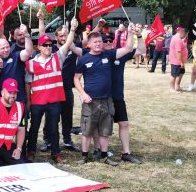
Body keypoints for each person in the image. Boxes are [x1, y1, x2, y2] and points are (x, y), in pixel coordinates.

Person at [74, 27, 137, 165]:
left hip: (107, 99)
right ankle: (84, 156)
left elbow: (127, 48)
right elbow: (76, 79)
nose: (98, 44)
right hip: (90, 100)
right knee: (87, 129)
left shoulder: (108, 55)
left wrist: (131, 34)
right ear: (89, 43)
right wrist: (83, 94)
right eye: (95, 42)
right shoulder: (83, 59)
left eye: (100, 41)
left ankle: (104, 155)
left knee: (105, 130)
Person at [25, 19, 78, 164]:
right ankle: (30, 151)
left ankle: (56, 153)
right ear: (39, 47)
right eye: (45, 45)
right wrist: (29, 102)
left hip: (54, 100)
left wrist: (72, 30)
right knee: (34, 128)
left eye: (50, 44)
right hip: (37, 101)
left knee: (54, 128)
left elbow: (67, 45)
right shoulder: (31, 63)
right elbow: (28, 84)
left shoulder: (57, 58)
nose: (48, 47)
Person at [101, 29, 146, 163]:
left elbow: (141, 49)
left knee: (124, 123)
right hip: (103, 97)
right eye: (105, 41)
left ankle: (126, 153)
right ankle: (100, 151)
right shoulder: (97, 55)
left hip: (118, 96)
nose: (108, 43)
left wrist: (138, 35)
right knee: (102, 126)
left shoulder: (120, 54)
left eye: (110, 41)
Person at [168, 26, 188, 93]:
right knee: (174, 75)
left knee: (180, 73)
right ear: (183, 34)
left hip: (179, 61)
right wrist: (181, 62)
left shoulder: (176, 38)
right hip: (176, 61)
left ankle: (177, 86)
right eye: (185, 35)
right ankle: (172, 88)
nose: (185, 37)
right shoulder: (177, 39)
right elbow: (178, 52)